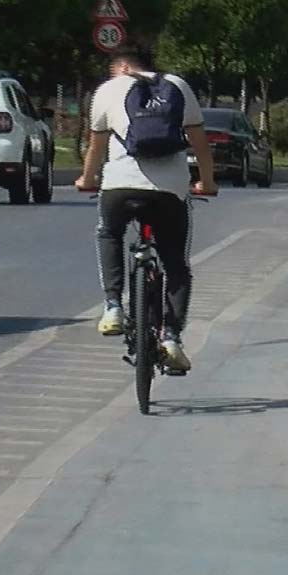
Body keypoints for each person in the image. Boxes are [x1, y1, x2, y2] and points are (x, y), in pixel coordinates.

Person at [75, 51, 218, 373]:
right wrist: (207, 183)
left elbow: (96, 146)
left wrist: (87, 179)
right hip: (171, 190)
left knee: (109, 232)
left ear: (125, 66)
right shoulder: (178, 86)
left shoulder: (108, 90)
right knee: (176, 265)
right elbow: (200, 144)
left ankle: (113, 305)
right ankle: (172, 337)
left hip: (120, 187)